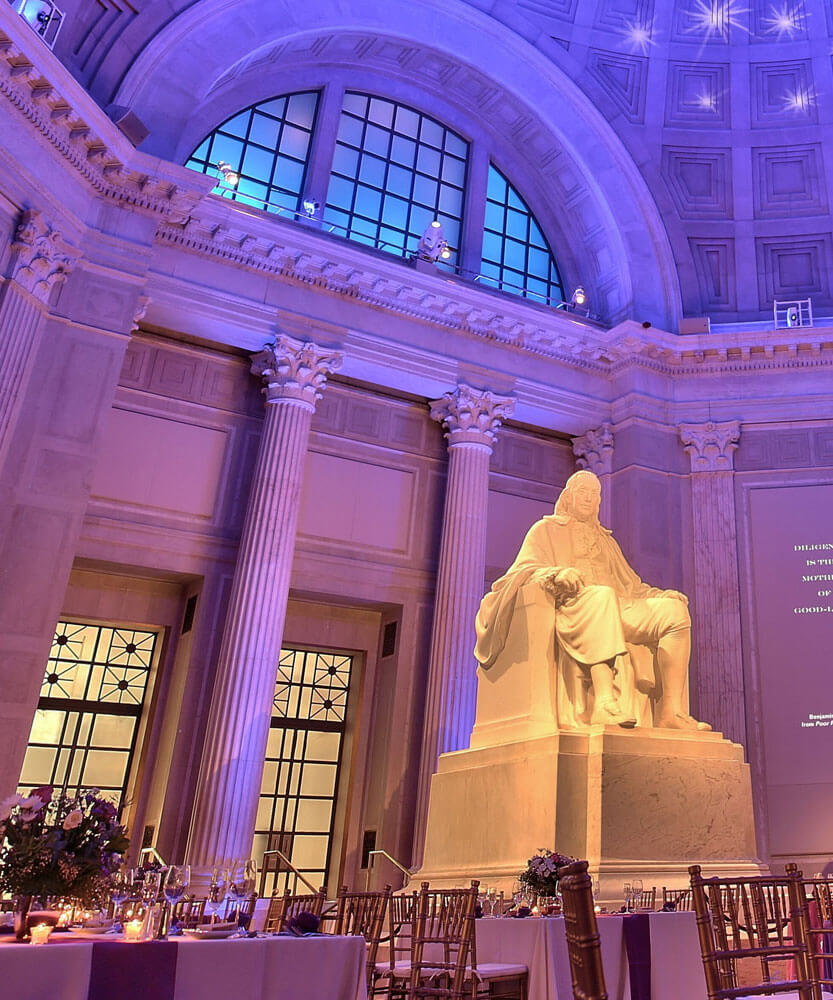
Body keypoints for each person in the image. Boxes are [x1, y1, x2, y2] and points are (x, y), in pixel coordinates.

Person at [474, 469, 711, 731]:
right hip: (572, 606)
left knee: (674, 612)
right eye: (582, 492)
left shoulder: (606, 541)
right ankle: (604, 702)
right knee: (602, 596)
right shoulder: (546, 530)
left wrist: (660, 596)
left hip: (619, 605)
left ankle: (671, 712)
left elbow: (632, 584)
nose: (589, 498)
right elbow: (521, 572)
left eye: (594, 494)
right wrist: (556, 574)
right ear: (569, 497)